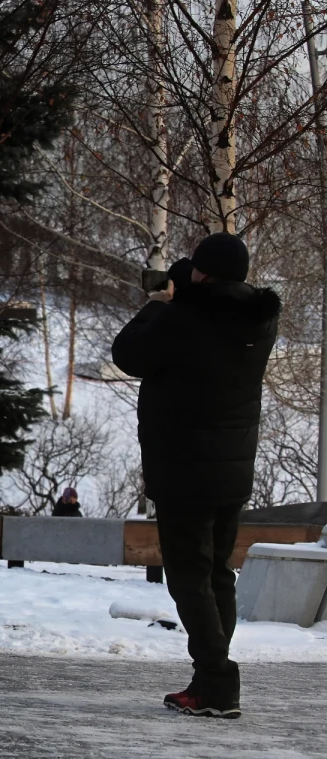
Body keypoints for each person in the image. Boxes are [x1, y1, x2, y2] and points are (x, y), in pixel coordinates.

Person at [112, 232, 280, 719]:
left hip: (183, 468)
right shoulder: (260, 319)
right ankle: (209, 679)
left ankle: (219, 683)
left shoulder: (182, 317)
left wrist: (161, 301)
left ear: (202, 273)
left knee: (189, 580)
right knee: (216, 574)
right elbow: (217, 309)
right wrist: (192, 289)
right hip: (232, 470)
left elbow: (129, 354)